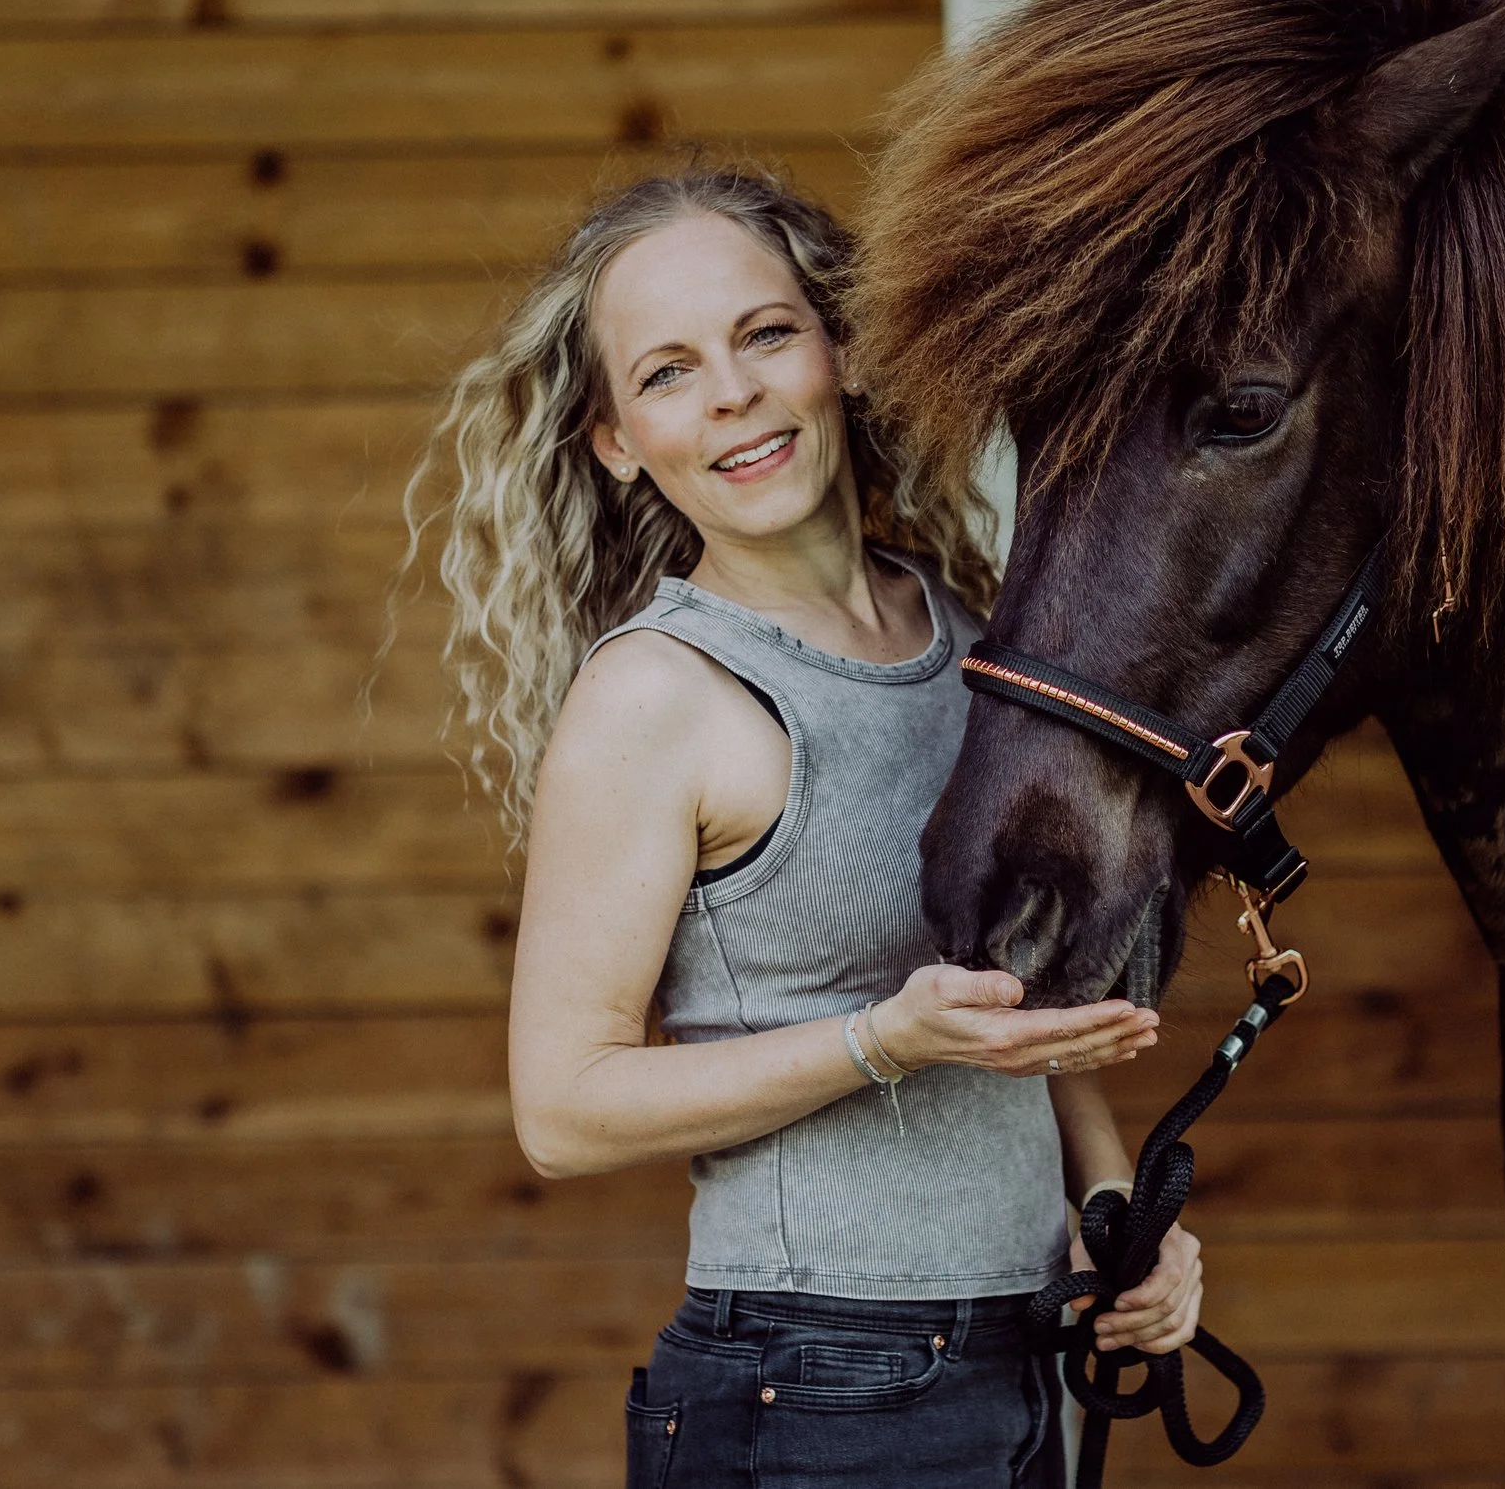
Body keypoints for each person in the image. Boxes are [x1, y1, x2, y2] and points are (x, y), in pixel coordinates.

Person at [408, 166, 1206, 1488]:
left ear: (838, 346)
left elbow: (1010, 1015)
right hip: (812, 1385)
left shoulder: (974, 644)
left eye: (764, 334)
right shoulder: (659, 694)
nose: (730, 393)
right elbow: (563, 1107)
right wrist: (879, 1038)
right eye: (667, 372)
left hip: (1018, 1365)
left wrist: (1116, 1217)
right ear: (618, 439)